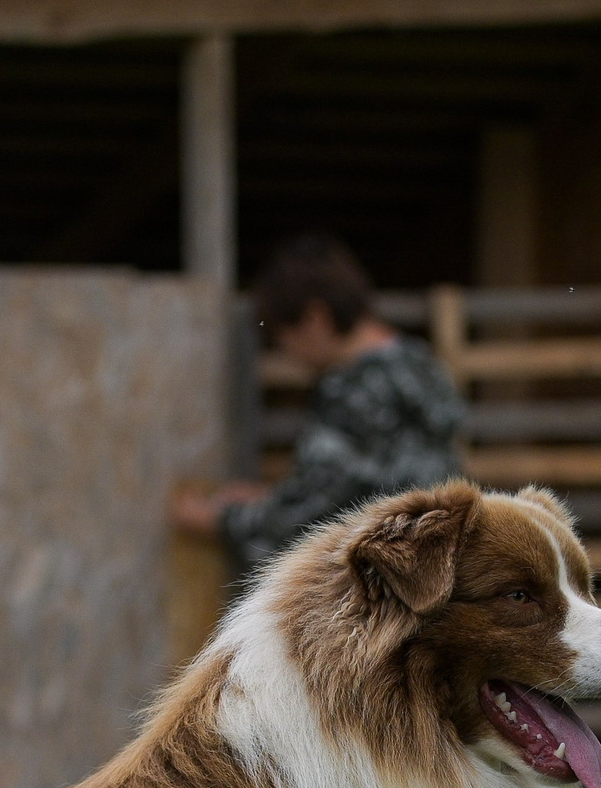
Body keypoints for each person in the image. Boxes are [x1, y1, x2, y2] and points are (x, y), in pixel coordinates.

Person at [171, 234, 465, 568]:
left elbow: (306, 520)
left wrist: (218, 520)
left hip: (381, 584)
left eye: (285, 337)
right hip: (436, 566)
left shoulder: (351, 392)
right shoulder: (419, 363)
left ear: (316, 318)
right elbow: (366, 484)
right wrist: (269, 498)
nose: (289, 354)